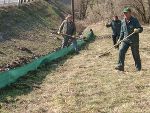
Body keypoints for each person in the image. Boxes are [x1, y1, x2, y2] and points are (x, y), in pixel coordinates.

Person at [115, 7, 143, 71]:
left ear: (130, 13)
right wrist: (119, 39)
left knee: (135, 54)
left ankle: (138, 68)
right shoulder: (122, 21)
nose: (125, 14)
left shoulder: (135, 20)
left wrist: (138, 30)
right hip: (125, 40)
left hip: (134, 40)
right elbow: (122, 32)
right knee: (121, 50)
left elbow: (141, 29)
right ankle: (120, 66)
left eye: (126, 13)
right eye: (124, 13)